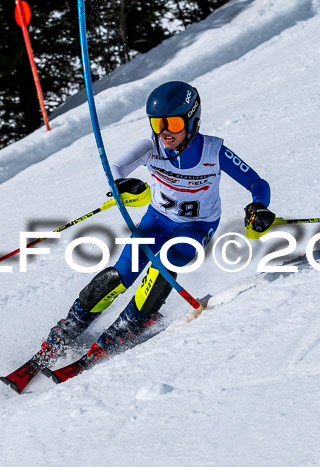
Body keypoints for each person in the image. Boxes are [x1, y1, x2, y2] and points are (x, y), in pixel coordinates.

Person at [36, 81, 275, 377]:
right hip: (157, 219)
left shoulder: (213, 151)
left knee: (168, 260)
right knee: (119, 275)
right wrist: (124, 185)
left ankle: (129, 325)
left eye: (172, 123)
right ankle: (65, 331)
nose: (165, 132)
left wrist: (259, 206)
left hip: (196, 226)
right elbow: (115, 170)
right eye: (158, 123)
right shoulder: (152, 147)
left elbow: (256, 183)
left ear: (192, 121)